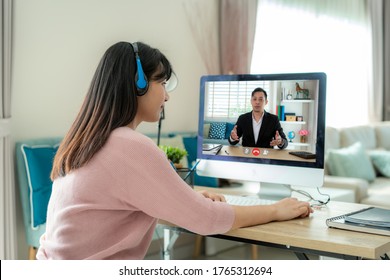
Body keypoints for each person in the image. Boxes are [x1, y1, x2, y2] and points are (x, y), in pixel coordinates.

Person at [36, 41, 312, 260]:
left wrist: (185, 198)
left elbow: (112, 202)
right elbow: (207, 219)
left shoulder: (84, 140)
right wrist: (276, 210)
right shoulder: (129, 145)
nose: (167, 96)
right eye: (163, 83)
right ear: (139, 84)